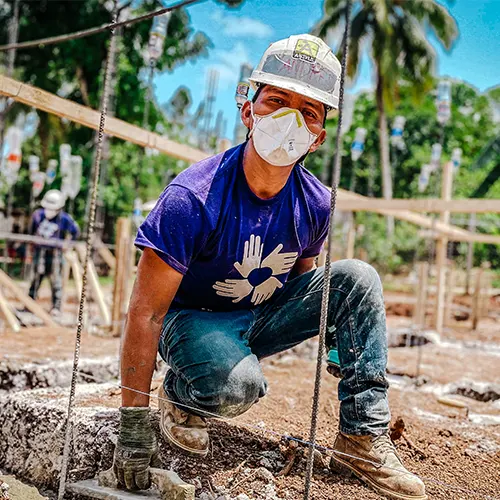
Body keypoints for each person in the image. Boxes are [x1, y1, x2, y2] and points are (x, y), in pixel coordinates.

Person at [113, 34, 427, 500]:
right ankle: (182, 395)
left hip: (259, 315)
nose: (289, 121)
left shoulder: (316, 202)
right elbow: (145, 313)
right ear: (248, 110)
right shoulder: (192, 199)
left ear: (318, 138)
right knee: (235, 387)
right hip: (191, 322)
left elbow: (305, 283)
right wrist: (133, 431)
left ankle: (360, 438)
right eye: (277, 101)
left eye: (308, 112)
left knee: (358, 278)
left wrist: (343, 334)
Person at [28, 189, 79, 315]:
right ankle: (29, 303)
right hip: (40, 251)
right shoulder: (38, 215)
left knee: (56, 280)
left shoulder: (64, 219)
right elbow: (31, 232)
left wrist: (67, 244)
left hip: (55, 253)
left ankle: (56, 307)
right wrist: (31, 247)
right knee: (36, 277)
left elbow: (75, 232)